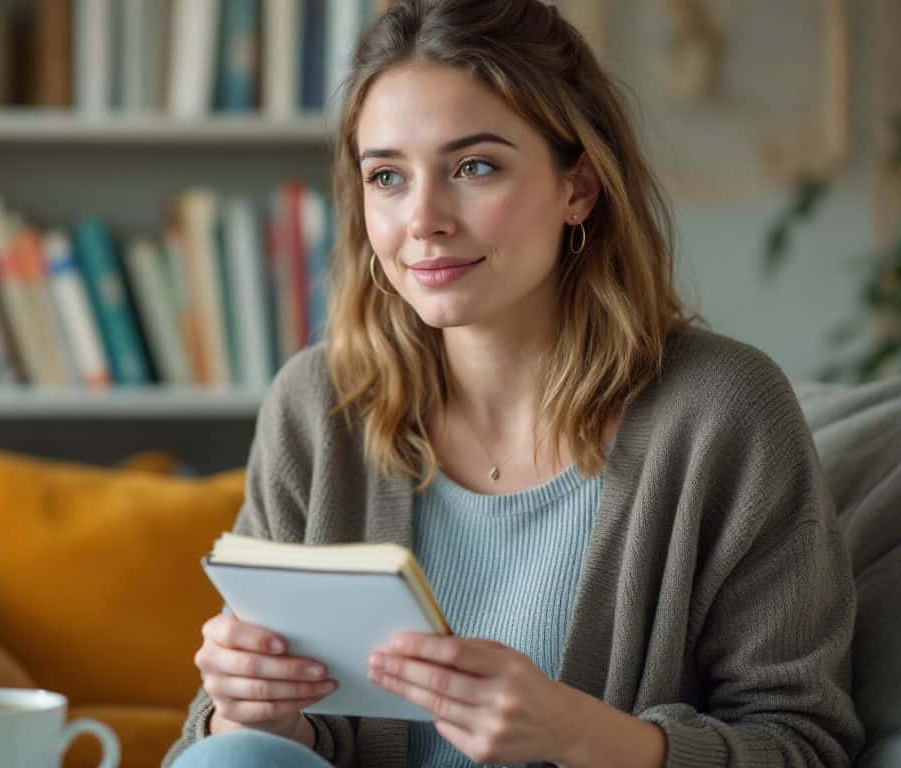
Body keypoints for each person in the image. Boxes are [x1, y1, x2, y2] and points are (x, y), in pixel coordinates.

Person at [164, 0, 864, 766]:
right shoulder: (318, 405)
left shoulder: (724, 412)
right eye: (388, 177)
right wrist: (251, 711)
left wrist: (582, 734)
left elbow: (804, 743)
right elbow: (240, 743)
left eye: (475, 167)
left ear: (581, 190)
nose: (422, 218)